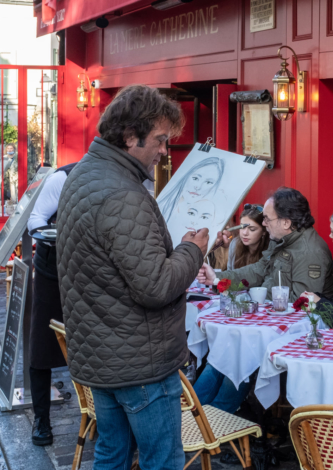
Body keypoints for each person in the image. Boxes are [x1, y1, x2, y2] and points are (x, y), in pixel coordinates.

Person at [56, 85, 209, 470]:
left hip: (104, 353)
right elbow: (155, 286)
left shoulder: (84, 175)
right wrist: (192, 250)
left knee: (111, 453)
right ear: (129, 137)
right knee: (162, 461)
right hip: (139, 360)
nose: (164, 151)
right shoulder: (122, 194)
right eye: (160, 140)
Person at [192, 203, 270, 416]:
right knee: (221, 356)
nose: (244, 233)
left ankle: (211, 415)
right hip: (238, 313)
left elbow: (255, 287)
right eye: (242, 227)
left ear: (264, 230)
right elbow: (232, 280)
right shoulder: (236, 246)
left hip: (257, 318)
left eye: (251, 228)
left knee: (235, 357)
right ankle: (197, 413)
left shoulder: (269, 252)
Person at [198, 187, 333, 301]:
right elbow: (259, 270)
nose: (263, 224)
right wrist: (217, 278)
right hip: (271, 314)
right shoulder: (281, 238)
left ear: (286, 223)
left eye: (267, 219)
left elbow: (302, 305)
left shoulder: (309, 252)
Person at [26, 162, 77, 446]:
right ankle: (41, 420)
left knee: (92, 344)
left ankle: (98, 413)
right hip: (52, 271)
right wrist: (63, 236)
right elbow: (36, 219)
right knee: (42, 346)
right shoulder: (62, 178)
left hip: (89, 272)